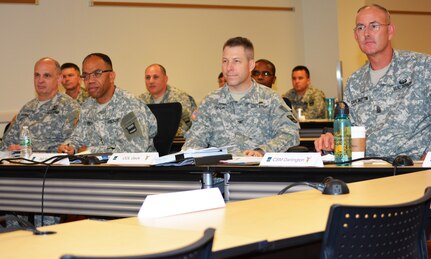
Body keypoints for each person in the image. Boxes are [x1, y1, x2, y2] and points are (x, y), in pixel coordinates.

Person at [315, 4, 431, 160]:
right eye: (361, 28)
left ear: (390, 31)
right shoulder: (354, 82)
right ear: (355, 35)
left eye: (374, 26)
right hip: (369, 171)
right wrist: (333, 139)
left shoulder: (422, 67)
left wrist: (429, 155)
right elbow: (350, 132)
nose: (367, 33)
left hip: (413, 168)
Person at [183, 37, 300, 157]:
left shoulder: (270, 99)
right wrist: (188, 154)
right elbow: (195, 139)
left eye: (236, 61)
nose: (229, 68)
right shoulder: (211, 101)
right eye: (225, 61)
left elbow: (290, 134)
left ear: (250, 65)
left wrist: (263, 151)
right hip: (220, 172)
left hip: (258, 172)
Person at [58, 53, 157, 155]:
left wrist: (90, 151)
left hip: (131, 169)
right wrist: (69, 147)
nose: (90, 80)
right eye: (86, 76)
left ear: (111, 76)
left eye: (97, 73)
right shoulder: (87, 106)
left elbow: (134, 149)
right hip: (96, 168)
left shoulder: (130, 105)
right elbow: (77, 138)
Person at [0, 57, 80, 153]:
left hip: (51, 165)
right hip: (21, 163)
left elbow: (70, 145)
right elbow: (5, 144)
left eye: (46, 76)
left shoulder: (70, 107)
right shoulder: (27, 108)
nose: (40, 80)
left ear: (59, 79)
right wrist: (9, 149)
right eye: (37, 75)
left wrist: (29, 149)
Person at [139, 64, 197, 135]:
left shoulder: (181, 98)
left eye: (155, 77)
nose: (151, 81)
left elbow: (192, 123)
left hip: (176, 143)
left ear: (165, 79)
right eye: (148, 77)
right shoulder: (140, 101)